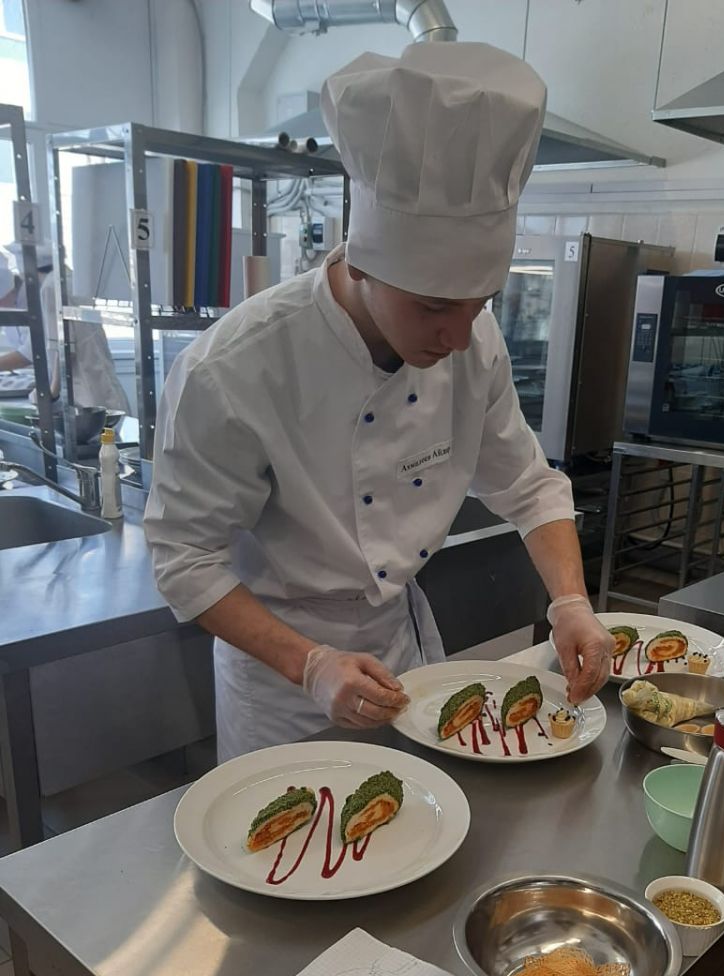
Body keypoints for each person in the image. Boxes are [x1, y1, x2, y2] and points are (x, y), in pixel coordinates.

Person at [145, 41, 613, 763]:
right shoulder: (233, 368)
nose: (458, 337)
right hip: (282, 683)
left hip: (402, 652)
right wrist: (310, 664)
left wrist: (571, 603)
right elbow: (183, 558)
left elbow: (527, 485)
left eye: (479, 303)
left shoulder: (473, 339)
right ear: (362, 264)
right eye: (434, 307)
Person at [1, 243, 128, 413]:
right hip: (98, 384)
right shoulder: (70, 279)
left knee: (99, 426)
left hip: (85, 393)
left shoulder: (51, 287)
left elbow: (64, 348)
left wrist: (50, 393)